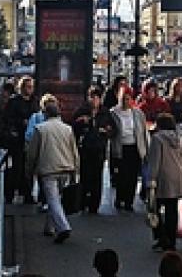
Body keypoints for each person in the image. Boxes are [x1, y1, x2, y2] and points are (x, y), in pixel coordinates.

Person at [26, 98, 80, 243]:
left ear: (45, 114)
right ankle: (49, 227)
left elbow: (32, 153)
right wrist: (75, 169)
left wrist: (29, 169)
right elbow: (74, 151)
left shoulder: (40, 129)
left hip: (48, 169)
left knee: (52, 199)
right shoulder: (67, 129)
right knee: (57, 199)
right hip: (66, 167)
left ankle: (63, 227)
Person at [147, 113, 182, 252]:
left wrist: (151, 179)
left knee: (155, 209)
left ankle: (161, 237)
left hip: (162, 177)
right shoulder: (178, 139)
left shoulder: (157, 139)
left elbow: (155, 161)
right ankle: (171, 240)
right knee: (172, 210)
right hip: (176, 177)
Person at [73, 86, 115, 214]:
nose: (94, 100)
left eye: (97, 97)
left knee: (97, 177)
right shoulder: (82, 110)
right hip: (85, 148)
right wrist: (80, 123)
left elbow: (113, 129)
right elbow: (73, 127)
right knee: (85, 176)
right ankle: (82, 202)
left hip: (98, 148)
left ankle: (94, 205)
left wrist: (106, 132)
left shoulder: (105, 112)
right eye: (92, 97)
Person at [110, 86, 150, 211]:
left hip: (134, 147)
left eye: (127, 99)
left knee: (132, 176)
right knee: (121, 175)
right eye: (123, 99)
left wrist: (146, 149)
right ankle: (120, 198)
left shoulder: (138, 113)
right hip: (120, 147)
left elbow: (143, 132)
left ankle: (129, 201)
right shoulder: (113, 113)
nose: (125, 102)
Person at [3, 75, 37, 204]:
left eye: (32, 87)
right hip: (17, 139)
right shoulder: (14, 101)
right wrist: (19, 123)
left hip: (31, 139)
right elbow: (7, 118)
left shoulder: (34, 101)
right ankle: (10, 194)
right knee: (15, 168)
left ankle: (27, 193)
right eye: (28, 87)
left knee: (28, 168)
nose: (30, 89)